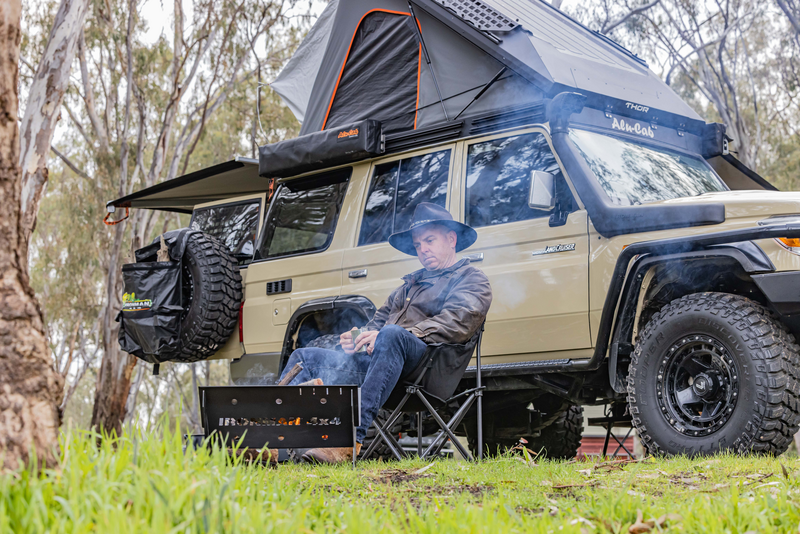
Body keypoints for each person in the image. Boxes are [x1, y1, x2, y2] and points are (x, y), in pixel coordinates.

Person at [278, 202, 492, 463]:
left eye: (429, 240)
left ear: (451, 239)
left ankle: (348, 442)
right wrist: (357, 337)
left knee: (391, 335)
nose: (423, 250)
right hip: (384, 372)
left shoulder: (472, 279)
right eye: (418, 245)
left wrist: (391, 334)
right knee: (305, 357)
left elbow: (457, 323)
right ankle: (271, 442)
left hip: (430, 374)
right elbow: (376, 324)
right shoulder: (406, 288)